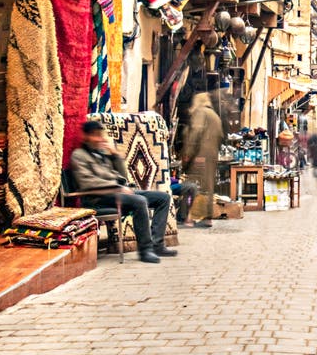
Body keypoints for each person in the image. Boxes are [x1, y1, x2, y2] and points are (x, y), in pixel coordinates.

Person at [70, 120, 177, 263]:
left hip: (117, 193)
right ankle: (145, 250)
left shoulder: (102, 155)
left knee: (163, 198)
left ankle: (157, 244)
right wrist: (117, 188)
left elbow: (123, 177)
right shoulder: (79, 155)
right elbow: (87, 183)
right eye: (95, 135)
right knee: (140, 201)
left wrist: (114, 155)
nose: (99, 139)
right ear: (86, 136)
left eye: (100, 135)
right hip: (98, 197)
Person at [179, 92, 223, 228]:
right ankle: (208, 217)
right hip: (211, 155)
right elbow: (220, 137)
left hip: (200, 155)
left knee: (194, 185)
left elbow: (195, 133)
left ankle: (190, 217)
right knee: (208, 186)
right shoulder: (215, 116)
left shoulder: (200, 112)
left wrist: (187, 153)